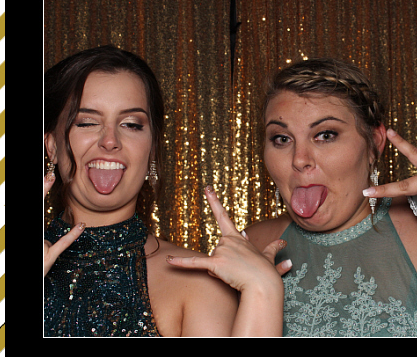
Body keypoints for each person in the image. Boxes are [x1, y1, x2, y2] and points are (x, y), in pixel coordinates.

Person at [168, 59, 417, 339]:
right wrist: (260, 288)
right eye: (281, 138)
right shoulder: (252, 245)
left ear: (374, 144)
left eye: (325, 135)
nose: (300, 159)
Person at [44, 47, 289, 336]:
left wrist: (262, 290)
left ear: (152, 149)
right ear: (52, 146)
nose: (110, 141)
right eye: (86, 122)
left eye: (131, 124)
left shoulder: (197, 285)